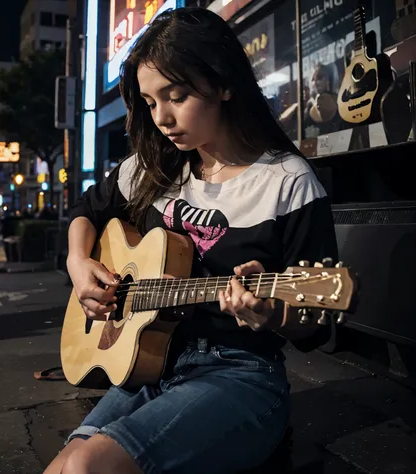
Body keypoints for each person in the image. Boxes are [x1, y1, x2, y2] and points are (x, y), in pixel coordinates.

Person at [45, 7, 338, 474]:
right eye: (149, 101)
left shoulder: (287, 182)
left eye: (176, 96)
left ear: (223, 84)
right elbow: (87, 211)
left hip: (239, 376)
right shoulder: (155, 166)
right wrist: (79, 264)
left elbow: (316, 326)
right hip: (151, 364)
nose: (161, 117)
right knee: (62, 466)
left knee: (86, 467)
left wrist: (270, 315)